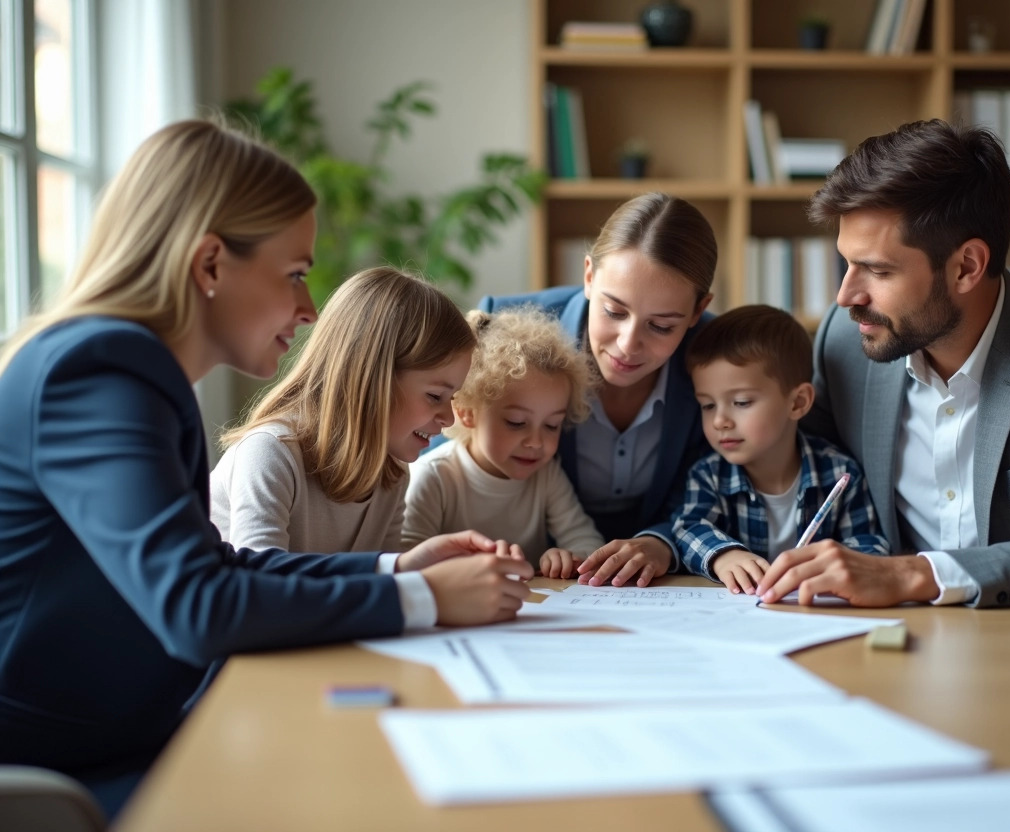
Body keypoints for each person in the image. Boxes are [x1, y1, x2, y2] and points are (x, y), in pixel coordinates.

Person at [0, 121, 531, 816]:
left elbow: (218, 566)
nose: (310, 309)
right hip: (64, 759)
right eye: (296, 275)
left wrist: (401, 572)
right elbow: (199, 608)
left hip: (123, 731)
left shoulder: (131, 373)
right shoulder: (100, 375)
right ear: (211, 263)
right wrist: (427, 601)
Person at [755, 119, 1010, 609]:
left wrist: (916, 574)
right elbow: (777, 465)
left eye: (879, 270)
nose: (845, 295)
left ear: (967, 266)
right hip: (884, 643)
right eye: (847, 262)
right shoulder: (848, 340)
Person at [477, 192, 716, 587]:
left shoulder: (718, 353)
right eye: (614, 312)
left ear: (696, 310)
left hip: (661, 585)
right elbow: (448, 461)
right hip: (528, 574)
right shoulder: (503, 328)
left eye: (661, 326)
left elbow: (725, 482)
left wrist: (663, 542)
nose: (627, 344)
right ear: (588, 276)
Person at [213, 265, 486, 557]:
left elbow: (378, 590)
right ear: (371, 379)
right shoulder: (269, 454)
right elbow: (261, 590)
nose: (449, 417)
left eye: (452, 397)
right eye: (435, 396)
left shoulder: (392, 474)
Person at [674, 305, 888, 594]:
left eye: (741, 402)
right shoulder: (709, 475)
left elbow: (870, 544)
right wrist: (725, 556)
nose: (720, 420)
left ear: (798, 402)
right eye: (708, 405)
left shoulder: (840, 473)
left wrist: (837, 567)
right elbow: (687, 528)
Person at [403, 307, 604, 576]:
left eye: (552, 425)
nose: (536, 442)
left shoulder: (545, 476)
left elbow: (587, 541)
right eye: (516, 423)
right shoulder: (434, 477)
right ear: (467, 412)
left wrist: (570, 557)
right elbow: (405, 559)